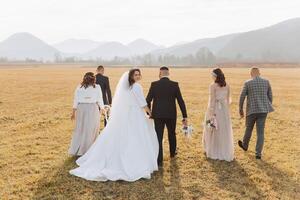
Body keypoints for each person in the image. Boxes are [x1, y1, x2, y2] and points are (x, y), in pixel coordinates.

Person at [70, 69, 159, 182]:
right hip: (135, 114)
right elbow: (142, 102)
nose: (137, 76)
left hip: (127, 113)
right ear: (131, 76)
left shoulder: (126, 88)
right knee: (137, 135)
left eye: (138, 74)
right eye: (135, 75)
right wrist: (149, 112)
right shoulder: (137, 87)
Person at [146, 66, 187, 167]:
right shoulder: (174, 85)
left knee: (158, 136)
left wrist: (149, 113)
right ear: (168, 73)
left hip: (158, 115)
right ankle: (172, 154)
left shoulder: (154, 84)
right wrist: (184, 115)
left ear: (160, 73)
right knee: (172, 134)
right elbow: (180, 101)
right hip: (171, 114)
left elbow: (148, 100)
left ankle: (159, 159)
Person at [238, 67, 274, 159]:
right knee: (260, 133)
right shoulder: (266, 82)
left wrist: (241, 109)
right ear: (259, 73)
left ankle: (245, 146)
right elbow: (270, 96)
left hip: (251, 111)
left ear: (251, 74)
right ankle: (258, 154)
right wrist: (267, 105)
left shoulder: (247, 83)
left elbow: (242, 97)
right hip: (263, 111)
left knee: (248, 129)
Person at [69, 72, 104, 156]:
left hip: (81, 108)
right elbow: (100, 99)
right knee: (92, 129)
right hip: (92, 108)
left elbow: (76, 100)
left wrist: (73, 112)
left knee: (81, 129)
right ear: (94, 79)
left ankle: (80, 149)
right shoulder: (97, 87)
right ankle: (89, 149)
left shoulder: (79, 87)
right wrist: (102, 108)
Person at [202, 68, 234, 162]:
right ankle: (224, 149)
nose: (211, 77)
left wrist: (211, 112)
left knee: (212, 127)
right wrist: (225, 109)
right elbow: (228, 100)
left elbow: (211, 100)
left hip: (215, 108)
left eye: (212, 75)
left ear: (215, 76)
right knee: (224, 128)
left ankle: (213, 149)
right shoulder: (227, 85)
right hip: (224, 110)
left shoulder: (213, 86)